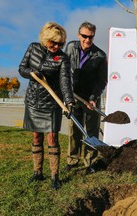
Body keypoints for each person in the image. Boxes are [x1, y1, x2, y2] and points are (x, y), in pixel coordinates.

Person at [18, 21, 75, 189]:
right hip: (33, 101)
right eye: (53, 42)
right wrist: (31, 73)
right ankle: (37, 172)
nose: (57, 46)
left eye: (60, 43)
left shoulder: (62, 58)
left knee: (53, 138)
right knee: (36, 136)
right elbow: (22, 68)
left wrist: (69, 101)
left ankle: (54, 175)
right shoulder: (33, 48)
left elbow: (65, 81)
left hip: (52, 102)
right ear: (45, 39)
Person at [64, 21, 108, 172]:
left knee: (91, 131)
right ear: (78, 35)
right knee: (74, 130)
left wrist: (93, 97)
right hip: (73, 97)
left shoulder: (100, 55)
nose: (87, 40)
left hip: (91, 99)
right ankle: (72, 160)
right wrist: (67, 95)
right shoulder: (70, 47)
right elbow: (64, 70)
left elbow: (102, 80)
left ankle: (90, 162)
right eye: (84, 36)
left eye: (91, 37)